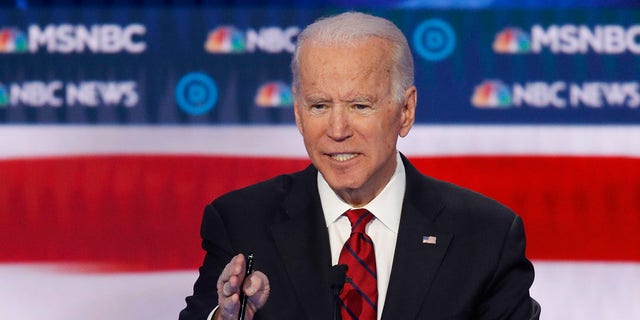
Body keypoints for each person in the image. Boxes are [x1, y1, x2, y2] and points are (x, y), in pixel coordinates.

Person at [179, 12, 539, 320]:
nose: (337, 131)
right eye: (319, 106)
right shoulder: (242, 223)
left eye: (360, 106)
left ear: (406, 111)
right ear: (298, 114)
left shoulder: (485, 235)